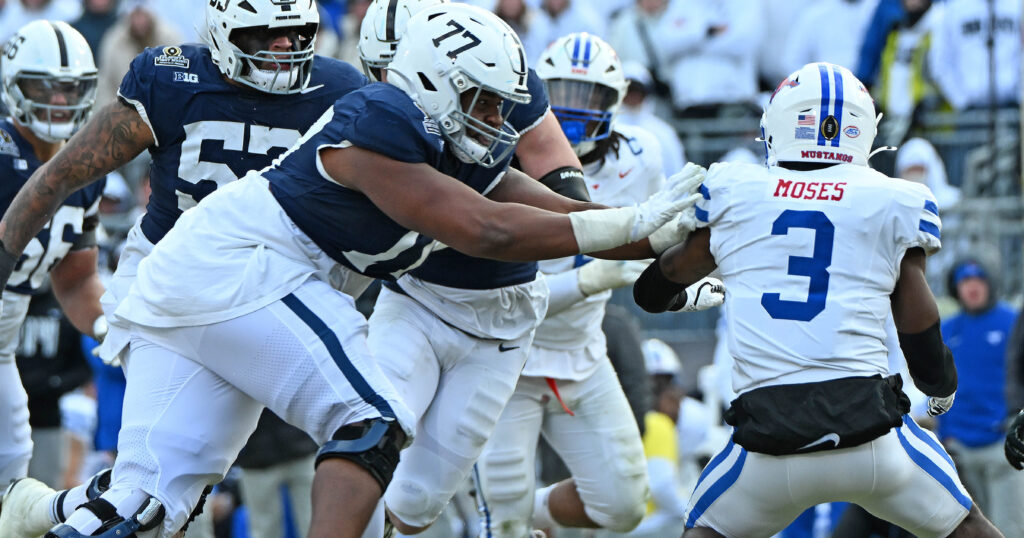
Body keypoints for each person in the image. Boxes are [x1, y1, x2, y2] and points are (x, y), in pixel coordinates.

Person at [3, 5, 704, 538]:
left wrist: (657, 234)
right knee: (369, 419)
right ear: (429, 78)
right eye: (485, 102)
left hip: (202, 284)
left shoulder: (441, 127)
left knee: (144, 509)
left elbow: (535, 205)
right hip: (250, 271)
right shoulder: (378, 115)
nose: (499, 121)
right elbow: (485, 229)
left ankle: (40, 513)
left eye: (501, 103)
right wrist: (633, 222)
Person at [0, 0, 373, 534]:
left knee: (151, 496)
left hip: (272, 293)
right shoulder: (174, 78)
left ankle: (56, 514)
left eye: (296, 33)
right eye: (265, 33)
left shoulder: (340, 90)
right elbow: (51, 179)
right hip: (170, 288)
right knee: (154, 492)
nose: (285, 48)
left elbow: (76, 274)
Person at [633, 61, 1003, 538]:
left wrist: (683, 296)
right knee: (967, 525)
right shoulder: (891, 199)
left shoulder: (736, 190)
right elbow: (919, 326)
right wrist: (941, 389)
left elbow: (651, 291)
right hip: (870, 438)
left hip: (766, 446)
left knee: (701, 528)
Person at [473, 33, 723, 538]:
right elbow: (501, 296)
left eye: (589, 96)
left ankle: (525, 515)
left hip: (583, 353)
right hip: (505, 356)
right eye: (561, 92)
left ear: (617, 100)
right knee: (499, 512)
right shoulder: (496, 156)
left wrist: (676, 288)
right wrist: (591, 280)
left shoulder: (639, 153)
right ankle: (506, 518)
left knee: (625, 505)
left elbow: (653, 252)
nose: (573, 110)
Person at [0, 18, 106, 493]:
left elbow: (76, 280)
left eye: (69, 88)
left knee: (13, 466)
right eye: (43, 86)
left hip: (5, 342)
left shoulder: (88, 167)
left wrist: (112, 327)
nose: (58, 99)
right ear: (12, 85)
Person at [937, 258, 1023, 536]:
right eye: (965, 282)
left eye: (979, 281)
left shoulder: (1012, 322)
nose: (972, 288)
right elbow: (938, 386)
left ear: (990, 284)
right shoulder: (947, 329)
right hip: (959, 448)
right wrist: (945, 434)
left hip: (1002, 445)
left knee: (1009, 527)